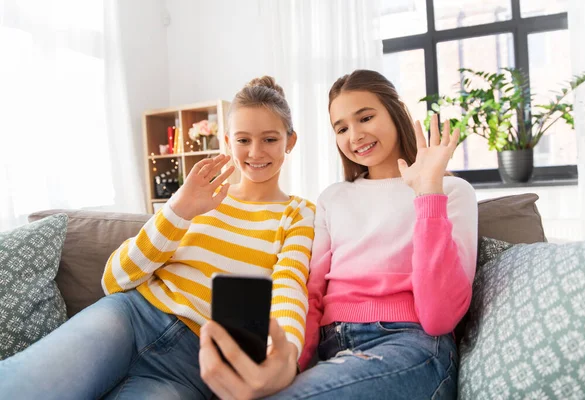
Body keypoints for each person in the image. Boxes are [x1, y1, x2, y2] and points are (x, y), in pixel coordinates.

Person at [0, 76, 315, 400]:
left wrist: (285, 355)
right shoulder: (199, 196)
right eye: (243, 139)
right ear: (227, 140)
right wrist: (179, 209)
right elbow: (114, 279)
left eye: (270, 139)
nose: (255, 152)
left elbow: (290, 286)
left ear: (290, 141)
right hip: (129, 317)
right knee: (21, 387)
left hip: (194, 363)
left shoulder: (297, 214)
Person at [269, 69, 478, 399]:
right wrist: (291, 363)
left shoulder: (450, 192)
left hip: (410, 345)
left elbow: (438, 317)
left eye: (365, 117)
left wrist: (428, 195)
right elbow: (311, 294)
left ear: (396, 114)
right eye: (341, 128)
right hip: (332, 349)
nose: (354, 135)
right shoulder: (332, 198)